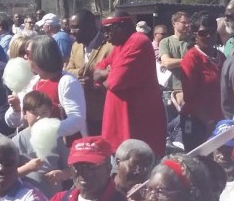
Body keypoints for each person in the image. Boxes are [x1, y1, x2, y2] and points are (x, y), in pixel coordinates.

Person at [93, 13, 167, 156]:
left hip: (136, 130)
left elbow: (115, 82)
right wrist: (105, 73)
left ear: (122, 27)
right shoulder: (121, 45)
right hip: (120, 129)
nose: (105, 35)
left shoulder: (137, 41)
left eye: (108, 29)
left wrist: (106, 74)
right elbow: (97, 70)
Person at [5, 35, 88, 139]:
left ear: (40, 56)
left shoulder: (67, 81)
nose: (25, 57)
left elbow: (77, 120)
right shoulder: (32, 82)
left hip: (63, 150)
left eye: (28, 53)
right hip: (37, 148)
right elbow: (13, 122)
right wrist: (16, 109)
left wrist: (46, 129)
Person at [179, 11, 226, 151]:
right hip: (197, 123)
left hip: (219, 122)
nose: (209, 36)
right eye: (203, 33)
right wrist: (209, 121)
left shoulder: (221, 57)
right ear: (194, 34)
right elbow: (189, 98)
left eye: (212, 32)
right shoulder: (192, 58)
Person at [65, 9, 112, 136]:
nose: (71, 32)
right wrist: (83, 71)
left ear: (90, 27)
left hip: (102, 114)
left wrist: (94, 85)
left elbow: (114, 79)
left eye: (75, 28)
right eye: (70, 28)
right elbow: (68, 71)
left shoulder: (109, 46)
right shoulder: (76, 46)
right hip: (79, 114)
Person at [159, 11, 192, 104]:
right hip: (171, 90)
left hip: (190, 88)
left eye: (188, 23)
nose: (187, 25)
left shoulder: (193, 41)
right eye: (184, 23)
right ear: (174, 23)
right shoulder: (165, 42)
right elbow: (166, 63)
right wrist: (188, 60)